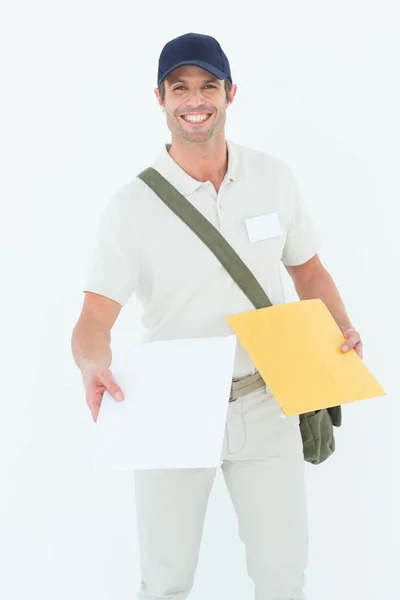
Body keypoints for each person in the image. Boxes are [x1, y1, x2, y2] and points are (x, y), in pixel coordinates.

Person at [71, 32, 363, 600]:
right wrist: (90, 364)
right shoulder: (130, 208)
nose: (195, 100)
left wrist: (341, 326)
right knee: (165, 579)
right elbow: (93, 319)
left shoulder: (273, 178)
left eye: (208, 86)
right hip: (169, 407)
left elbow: (309, 273)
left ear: (231, 93)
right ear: (160, 98)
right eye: (180, 88)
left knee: (282, 576)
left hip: (266, 398)